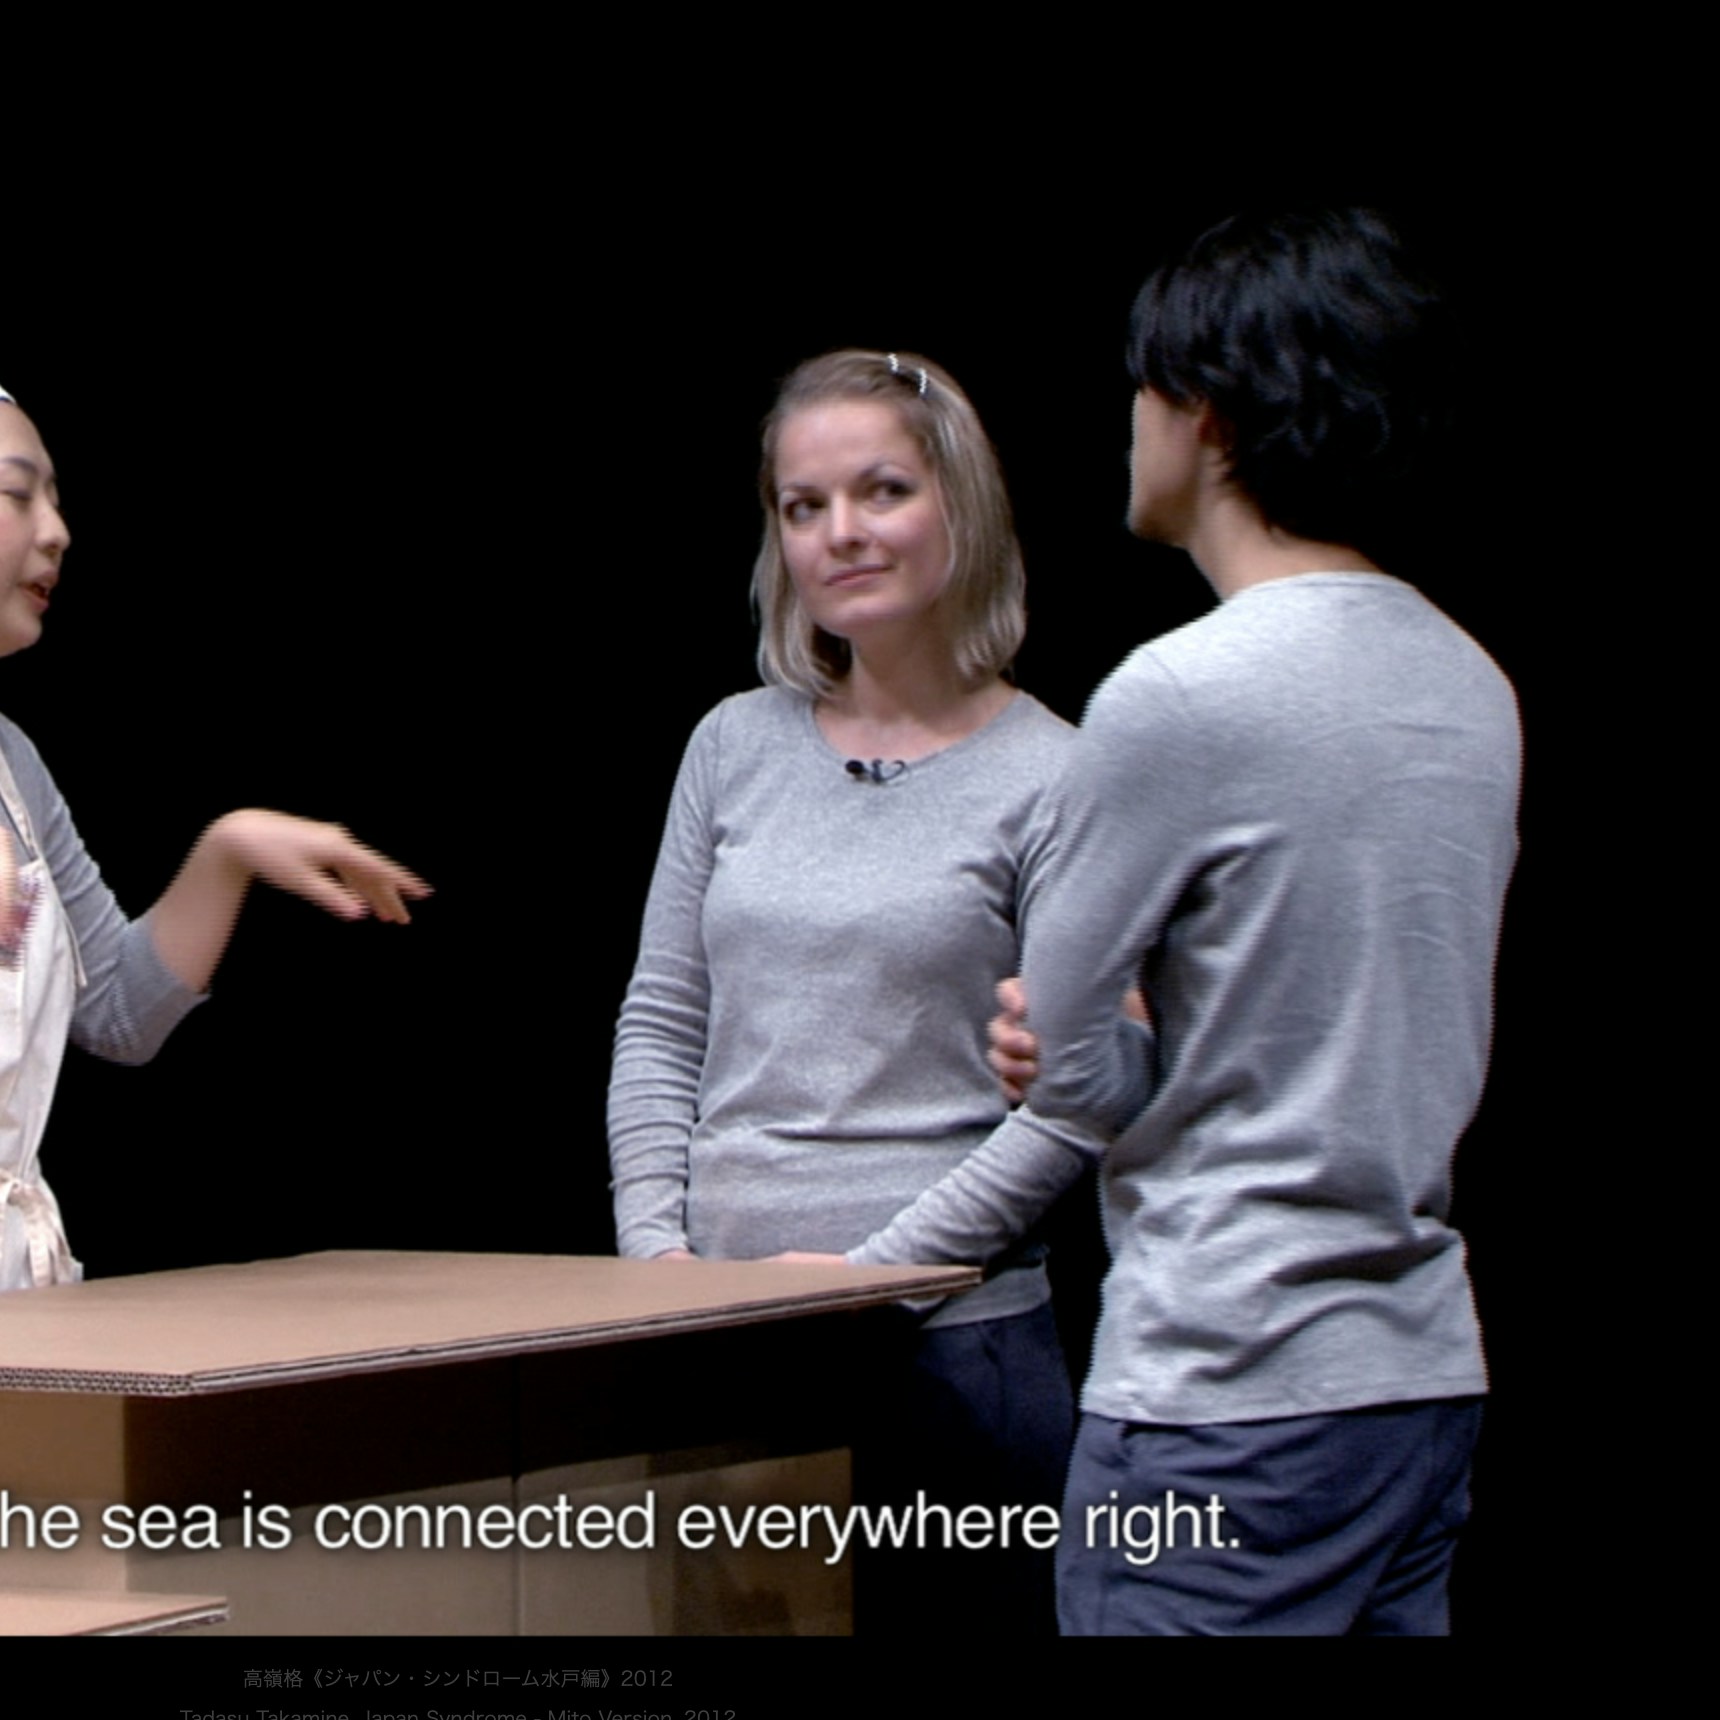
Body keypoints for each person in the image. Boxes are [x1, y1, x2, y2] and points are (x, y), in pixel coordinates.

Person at [979, 208, 1520, 1634]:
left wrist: (1107, 1043)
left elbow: (1070, 1067)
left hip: (1225, 1389)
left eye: (1143, 388)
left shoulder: (1178, 695)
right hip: (1416, 1377)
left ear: (1207, 412)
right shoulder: (1472, 683)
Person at [606, 349, 1087, 1635]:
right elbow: (662, 1021)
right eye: (802, 505)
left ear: (958, 504)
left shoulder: (1056, 775)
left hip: (952, 1348)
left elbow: (1072, 1099)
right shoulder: (732, 743)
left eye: (881, 490)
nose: (842, 533)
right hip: (722, 1340)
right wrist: (658, 1264)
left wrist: (867, 1280)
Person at [0, 383, 428, 1294]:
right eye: (16, 493)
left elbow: (117, 1013)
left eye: (56, 500)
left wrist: (229, 850)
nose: (57, 531)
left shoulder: (14, 765)